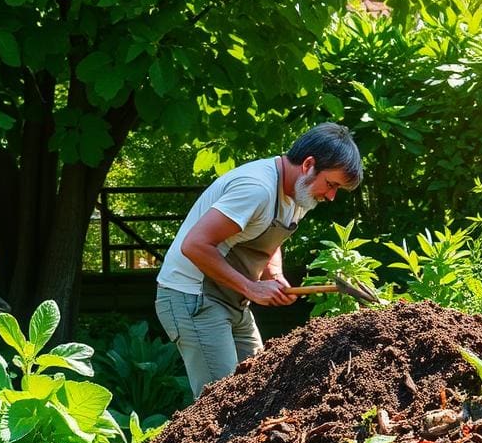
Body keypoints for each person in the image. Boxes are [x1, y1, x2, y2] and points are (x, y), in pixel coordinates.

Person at [155, 122, 363, 397]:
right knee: (221, 403)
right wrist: (252, 288)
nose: (331, 196)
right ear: (308, 164)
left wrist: (274, 275)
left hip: (233, 300)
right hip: (193, 297)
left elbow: (269, 238)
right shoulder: (256, 188)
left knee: (258, 389)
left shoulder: (298, 195)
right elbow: (194, 245)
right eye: (331, 184)